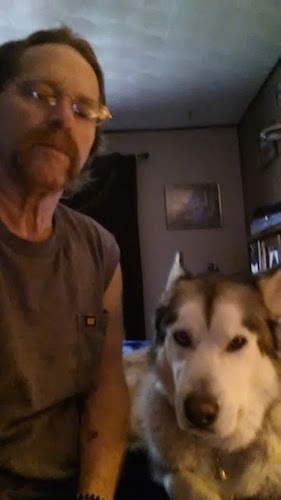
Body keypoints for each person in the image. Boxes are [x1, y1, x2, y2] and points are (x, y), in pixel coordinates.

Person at [0, 26, 129, 500]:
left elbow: (106, 388)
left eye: (83, 110)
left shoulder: (101, 250)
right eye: (39, 93)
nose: (61, 118)